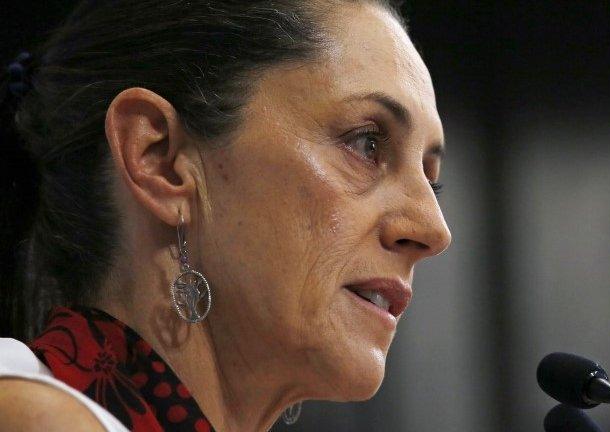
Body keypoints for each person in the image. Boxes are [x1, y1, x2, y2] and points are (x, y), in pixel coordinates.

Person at [0, 1, 451, 431]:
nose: (434, 229)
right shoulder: (32, 416)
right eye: (366, 143)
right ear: (160, 159)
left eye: (431, 181)